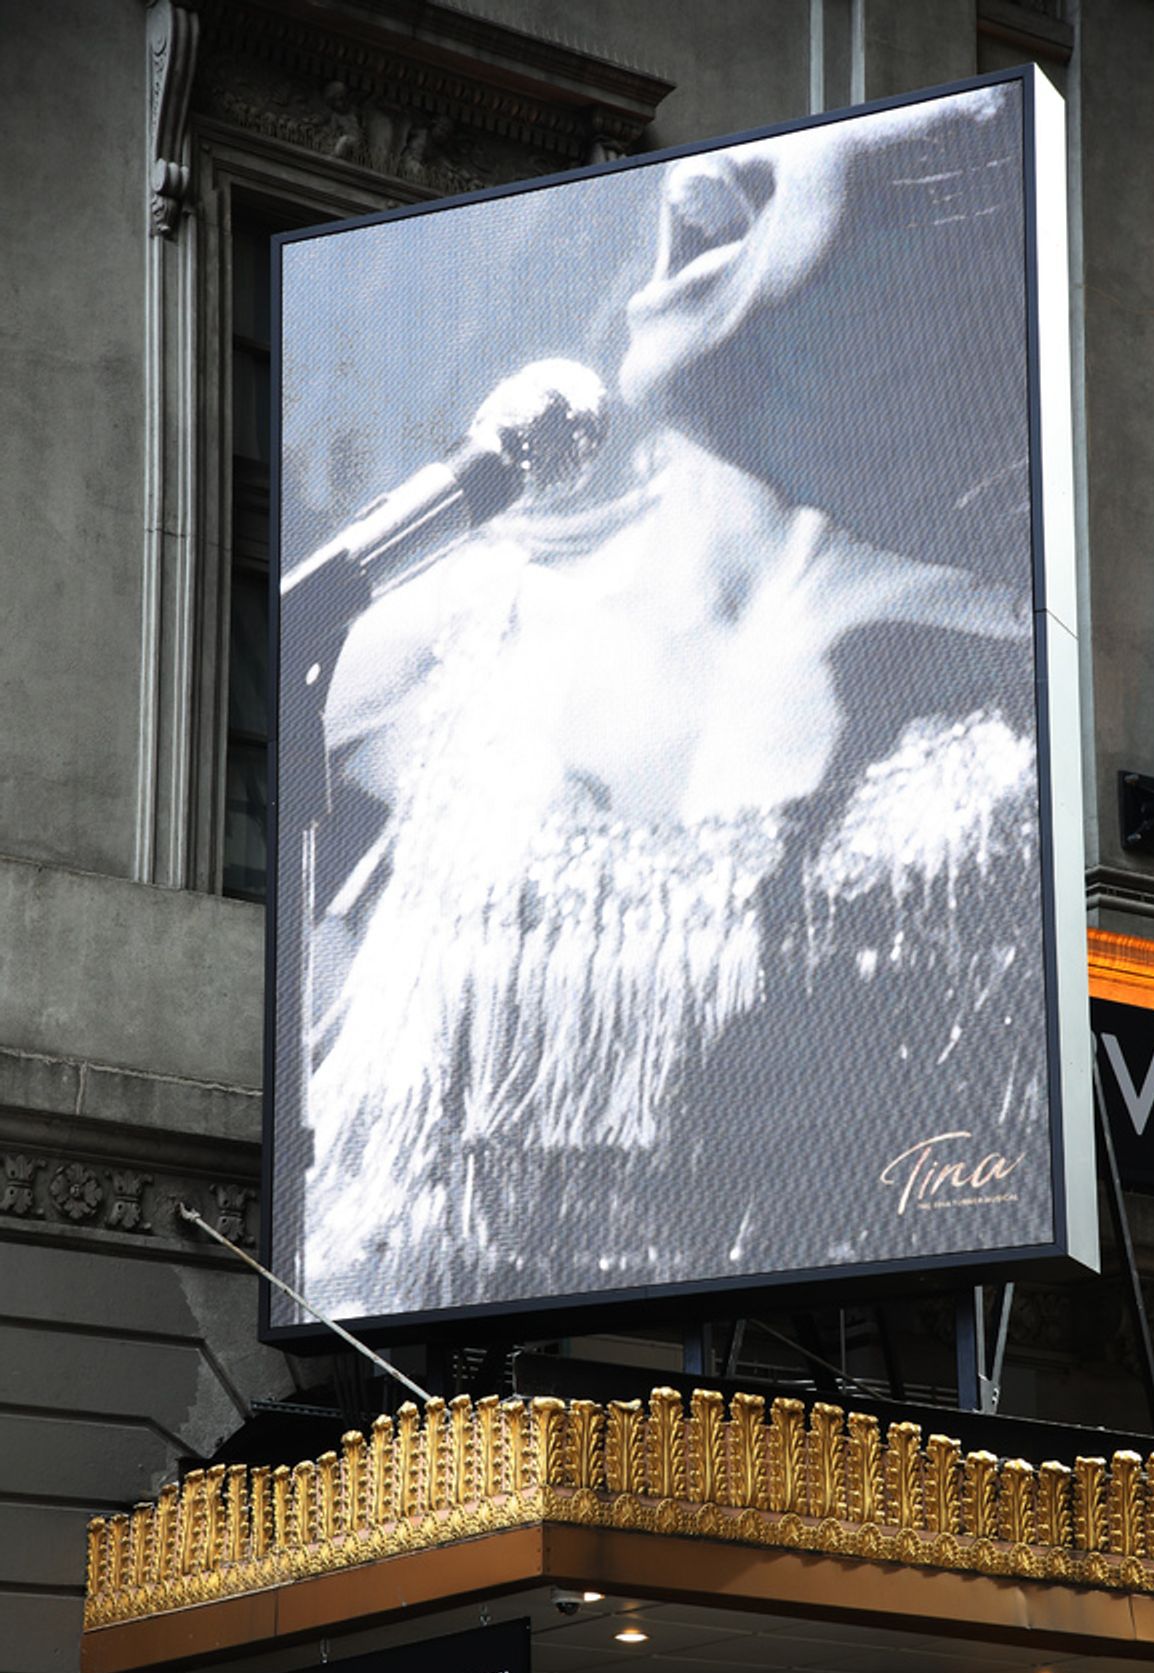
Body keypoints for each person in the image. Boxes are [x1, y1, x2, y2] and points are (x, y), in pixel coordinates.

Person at [291, 79, 1052, 1320]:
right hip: (390, 1442)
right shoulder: (432, 640)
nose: (698, 179)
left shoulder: (1004, 754)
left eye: (828, 131)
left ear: (964, 202)